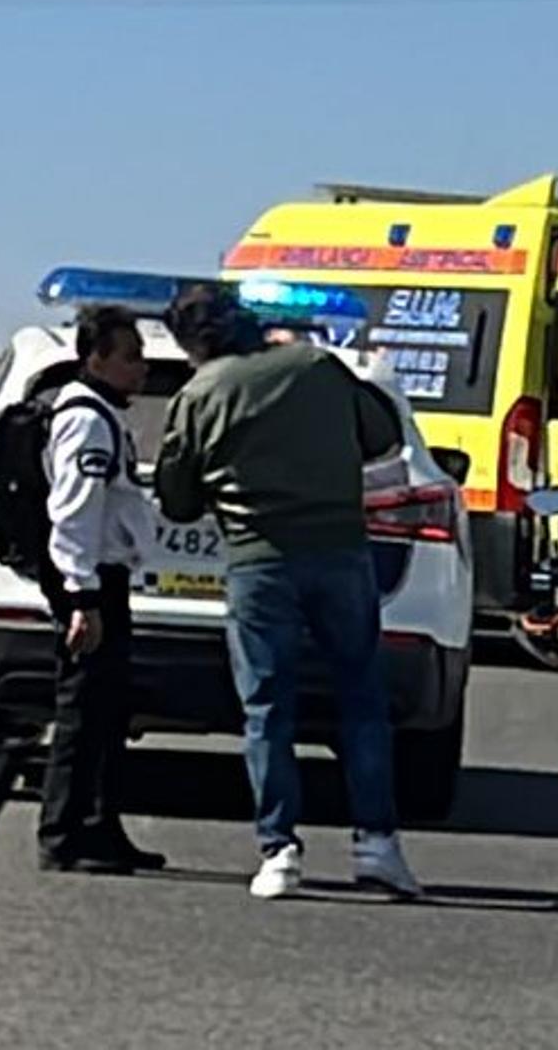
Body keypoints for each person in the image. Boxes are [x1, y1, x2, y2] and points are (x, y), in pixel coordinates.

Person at [155, 287, 419, 900]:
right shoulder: (314, 365)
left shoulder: (199, 395)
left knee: (268, 706)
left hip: (258, 561)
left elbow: (179, 499)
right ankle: (377, 842)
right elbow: (382, 436)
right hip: (340, 551)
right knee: (361, 698)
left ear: (194, 343)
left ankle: (280, 850)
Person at [39, 305, 166, 873]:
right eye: (130, 356)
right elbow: (74, 512)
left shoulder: (105, 415)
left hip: (103, 578)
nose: (141, 369)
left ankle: (101, 827)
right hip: (87, 583)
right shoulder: (87, 420)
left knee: (108, 711)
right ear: (95, 359)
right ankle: (63, 834)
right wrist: (82, 596)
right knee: (81, 710)